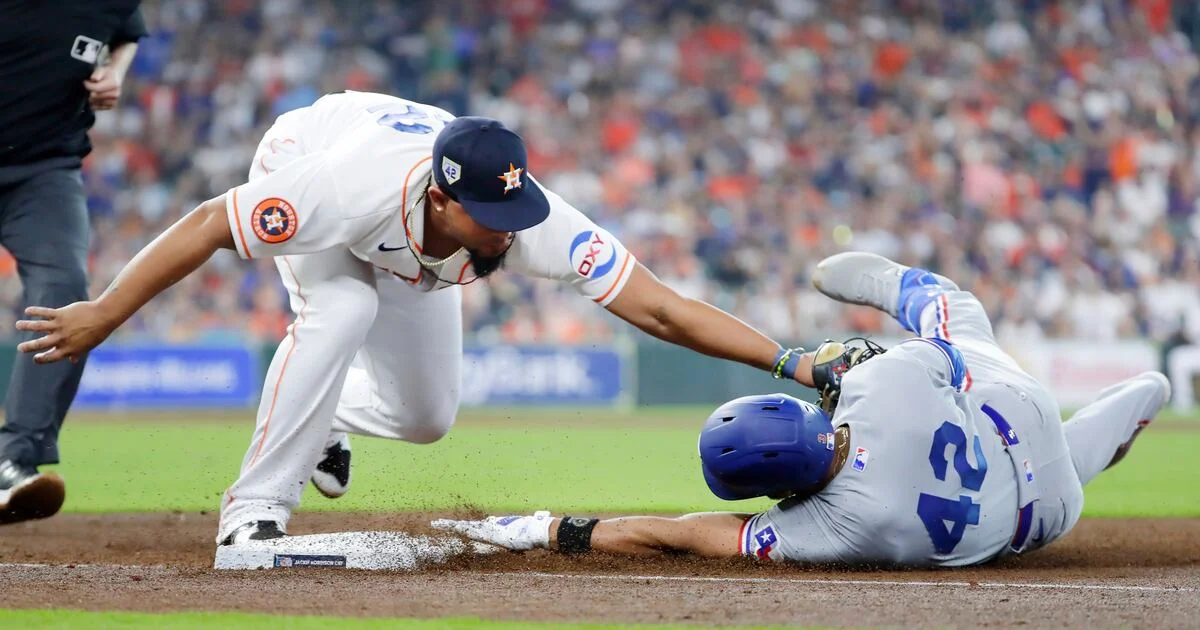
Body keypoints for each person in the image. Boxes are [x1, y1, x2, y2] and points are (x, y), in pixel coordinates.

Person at [13, 91, 809, 546]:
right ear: (442, 199)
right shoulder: (342, 188)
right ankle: (253, 512)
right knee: (344, 305)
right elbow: (209, 222)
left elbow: (661, 307)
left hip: (402, 230)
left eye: (516, 211)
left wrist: (792, 362)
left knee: (426, 418)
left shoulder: (527, 219)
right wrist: (106, 311)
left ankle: (326, 420)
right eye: (491, 216)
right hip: (307, 155)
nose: (508, 232)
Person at [433, 253, 1169, 567]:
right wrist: (844, 365)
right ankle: (898, 284)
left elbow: (684, 535)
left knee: (1089, 445)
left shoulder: (836, 527)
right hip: (1014, 411)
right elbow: (943, 362)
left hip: (1044, 510)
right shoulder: (876, 389)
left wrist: (555, 529)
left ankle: (1137, 405)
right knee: (958, 321)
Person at [0, 1, 145, 524]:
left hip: (43, 172)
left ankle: (13, 459)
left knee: (64, 289)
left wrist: (115, 72)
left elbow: (127, 33)